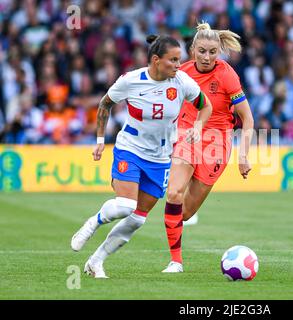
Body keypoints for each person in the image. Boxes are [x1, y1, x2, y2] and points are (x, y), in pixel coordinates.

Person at [70, 35, 212, 278]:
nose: (179, 66)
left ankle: (96, 261)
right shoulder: (131, 80)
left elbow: (205, 105)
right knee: (125, 205)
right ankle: (93, 223)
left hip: (160, 158)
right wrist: (100, 141)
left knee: (137, 220)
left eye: (180, 60)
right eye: (173, 60)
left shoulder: (181, 82)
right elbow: (105, 105)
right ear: (156, 60)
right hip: (130, 149)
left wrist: (198, 127)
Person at [161, 22, 254, 273]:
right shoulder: (182, 72)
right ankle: (176, 262)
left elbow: (248, 118)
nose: (207, 57)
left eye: (213, 52)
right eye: (202, 51)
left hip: (217, 143)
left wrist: (243, 156)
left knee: (186, 213)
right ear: (193, 50)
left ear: (219, 52)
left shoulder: (227, 75)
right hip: (188, 134)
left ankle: (172, 203)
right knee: (174, 194)